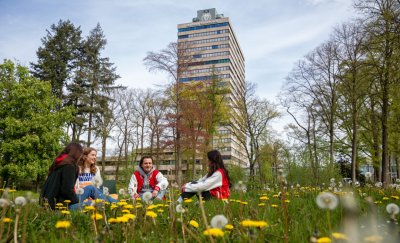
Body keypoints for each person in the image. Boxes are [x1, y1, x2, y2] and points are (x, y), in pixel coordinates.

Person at [41, 142, 116, 210]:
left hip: (59, 202)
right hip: (62, 206)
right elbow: (66, 190)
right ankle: (116, 205)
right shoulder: (69, 167)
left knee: (91, 188)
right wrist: (79, 201)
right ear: (76, 153)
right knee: (98, 204)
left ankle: (116, 203)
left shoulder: (59, 164)